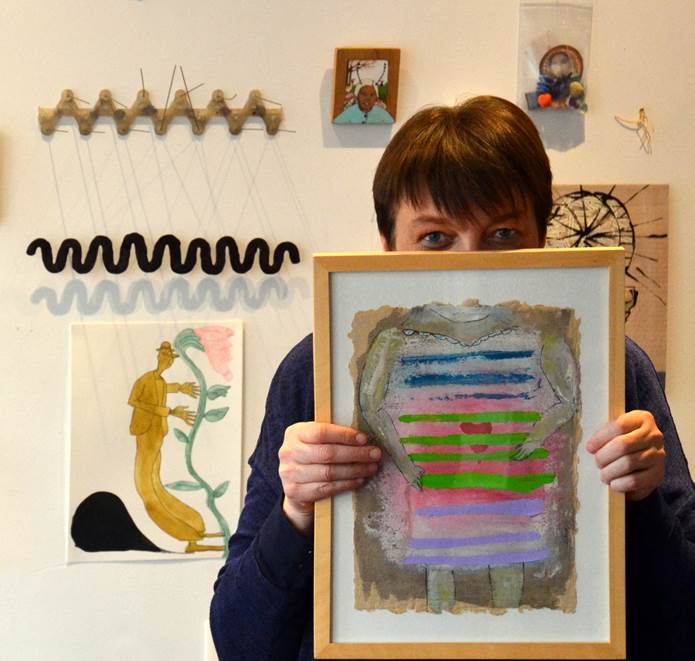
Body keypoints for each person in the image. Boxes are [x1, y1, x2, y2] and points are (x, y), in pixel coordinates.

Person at [210, 96, 695, 660]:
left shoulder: (612, 366)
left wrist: (644, 501)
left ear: (542, 237)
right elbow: (238, 643)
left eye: (503, 234)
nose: (471, 264)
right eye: (436, 237)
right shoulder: (317, 372)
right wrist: (294, 515)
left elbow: (686, 627)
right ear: (387, 247)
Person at [128, 341, 224, 553]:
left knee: (155, 481)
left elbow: (162, 388)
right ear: (158, 357)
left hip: (156, 434)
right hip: (145, 432)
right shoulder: (145, 379)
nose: (167, 361)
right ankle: (187, 536)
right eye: (164, 356)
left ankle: (194, 529)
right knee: (146, 487)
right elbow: (133, 400)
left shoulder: (160, 381)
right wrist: (169, 412)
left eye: (169, 358)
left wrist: (180, 387)